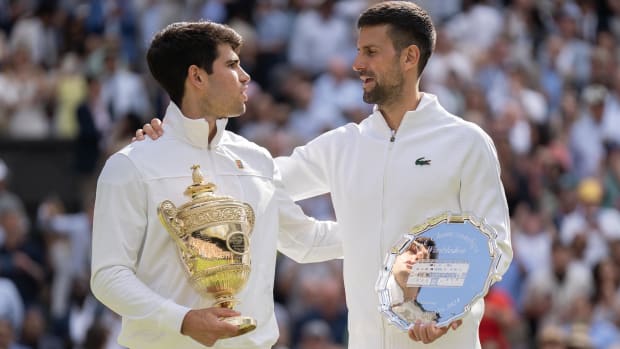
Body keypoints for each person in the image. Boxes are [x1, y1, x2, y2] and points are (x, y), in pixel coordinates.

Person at [138, 2, 513, 348]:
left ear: (409, 57)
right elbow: (251, 179)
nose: (356, 63)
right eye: (358, 50)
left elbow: (495, 245)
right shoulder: (342, 145)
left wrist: (443, 305)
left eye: (371, 52)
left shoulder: (466, 142)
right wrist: (176, 145)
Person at [90, 21, 342, 349]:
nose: (246, 76)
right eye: (233, 64)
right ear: (197, 77)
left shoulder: (257, 159)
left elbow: (304, 240)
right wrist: (183, 321)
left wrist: (390, 233)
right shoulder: (130, 165)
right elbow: (108, 276)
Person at [388, 237, 438, 323]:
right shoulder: (368, 289)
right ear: (394, 259)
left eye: (424, 258)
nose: (416, 257)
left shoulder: (429, 323)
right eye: (411, 250)